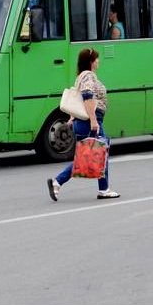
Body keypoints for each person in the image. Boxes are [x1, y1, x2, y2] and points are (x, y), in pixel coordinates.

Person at [48, 48, 119, 201]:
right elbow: (87, 97)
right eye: (96, 59)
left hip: (83, 122)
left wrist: (73, 118)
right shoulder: (88, 76)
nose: (98, 61)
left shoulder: (81, 76)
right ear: (91, 62)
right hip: (90, 122)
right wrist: (93, 121)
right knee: (101, 152)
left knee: (88, 157)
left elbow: (78, 99)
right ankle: (103, 189)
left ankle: (57, 182)